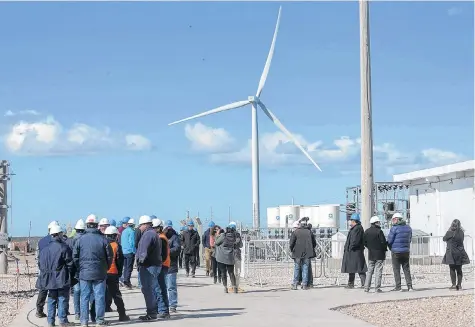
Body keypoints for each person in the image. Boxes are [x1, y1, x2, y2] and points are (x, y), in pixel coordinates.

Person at [73, 214, 113, 326]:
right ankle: (99, 320)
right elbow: (110, 256)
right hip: (100, 273)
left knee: (84, 297)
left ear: (87, 225)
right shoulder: (103, 240)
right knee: (99, 296)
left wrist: (80, 267)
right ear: (97, 225)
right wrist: (106, 267)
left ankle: (84, 321)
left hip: (84, 273)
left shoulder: (80, 240)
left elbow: (75, 256)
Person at [38, 224, 74, 327]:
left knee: (51, 299)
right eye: (61, 234)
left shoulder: (44, 249)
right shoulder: (64, 247)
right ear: (58, 234)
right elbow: (70, 264)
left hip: (49, 279)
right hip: (61, 278)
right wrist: (70, 274)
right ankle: (63, 321)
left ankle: (50, 322)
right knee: (62, 298)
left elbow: (40, 264)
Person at [136, 215, 162, 321]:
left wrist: (139, 262)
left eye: (141, 225)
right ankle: (153, 311)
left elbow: (143, 252)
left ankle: (151, 313)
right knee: (151, 289)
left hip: (148, 266)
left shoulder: (148, 235)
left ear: (145, 224)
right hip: (153, 265)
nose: (140, 228)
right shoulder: (153, 233)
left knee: (147, 289)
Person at [103, 226, 130, 321]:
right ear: (115, 236)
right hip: (113, 273)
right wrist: (119, 273)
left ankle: (96, 316)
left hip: (101, 273)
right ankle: (122, 315)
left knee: (99, 294)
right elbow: (120, 261)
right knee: (116, 295)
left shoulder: (102, 244)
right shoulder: (117, 246)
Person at [35, 220, 60, 319]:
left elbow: (37, 256)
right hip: (56, 269)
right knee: (57, 290)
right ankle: (60, 311)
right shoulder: (59, 241)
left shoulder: (41, 241)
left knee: (43, 289)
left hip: (44, 269)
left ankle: (39, 310)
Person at [387, 212, 413, 292]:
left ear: (398, 219)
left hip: (396, 251)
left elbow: (389, 240)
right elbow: (410, 239)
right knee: (406, 269)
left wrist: (390, 248)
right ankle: (410, 286)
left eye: (394, 219)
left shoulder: (394, 228)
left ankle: (398, 287)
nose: (393, 221)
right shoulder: (408, 228)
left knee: (396, 269)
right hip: (406, 251)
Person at [66, 219, 86, 321]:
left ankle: (78, 313)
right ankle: (85, 313)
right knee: (86, 292)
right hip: (85, 269)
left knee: (77, 291)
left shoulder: (70, 241)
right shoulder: (87, 240)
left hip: (74, 270)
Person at [341, 213, 367, 289]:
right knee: (353, 268)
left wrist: (350, 248)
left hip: (355, 251)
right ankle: (351, 283)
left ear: (354, 221)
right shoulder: (356, 228)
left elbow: (354, 241)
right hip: (354, 251)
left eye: (351, 220)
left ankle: (364, 284)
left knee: (360, 267)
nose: (350, 222)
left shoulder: (357, 229)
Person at [442, 219, 470, 290]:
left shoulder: (450, 232)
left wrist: (448, 231)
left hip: (451, 253)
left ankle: (454, 285)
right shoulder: (461, 233)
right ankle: (459, 285)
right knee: (459, 269)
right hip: (460, 252)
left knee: (452, 269)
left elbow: (444, 239)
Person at [363, 216, 388, 293]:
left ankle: (366, 287)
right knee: (378, 271)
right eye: (379, 222)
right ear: (376, 222)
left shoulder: (367, 231)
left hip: (371, 254)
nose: (380, 223)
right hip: (379, 254)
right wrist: (384, 249)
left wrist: (370, 247)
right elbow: (383, 242)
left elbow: (364, 242)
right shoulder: (379, 231)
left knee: (370, 271)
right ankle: (377, 288)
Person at [152, 218, 171, 319]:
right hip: (163, 265)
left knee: (159, 288)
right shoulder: (160, 237)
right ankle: (163, 310)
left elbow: (162, 255)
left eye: (155, 228)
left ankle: (163, 310)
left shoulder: (161, 238)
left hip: (161, 265)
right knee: (160, 288)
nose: (154, 230)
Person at [289, 220, 316, 290]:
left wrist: (292, 250)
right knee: (305, 267)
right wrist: (311, 249)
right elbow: (314, 243)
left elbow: (291, 243)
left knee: (297, 267)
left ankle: (295, 284)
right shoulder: (309, 232)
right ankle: (304, 284)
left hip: (297, 253)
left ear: (300, 225)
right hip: (307, 253)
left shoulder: (296, 232)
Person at [215, 226, 238, 293]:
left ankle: (225, 288)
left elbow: (216, 242)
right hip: (230, 257)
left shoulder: (223, 236)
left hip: (221, 257)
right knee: (231, 272)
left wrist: (217, 234)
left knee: (223, 272)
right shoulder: (234, 237)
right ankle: (234, 287)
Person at [164, 220, 180, 313]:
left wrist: (167, 251)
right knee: (162, 287)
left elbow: (177, 249)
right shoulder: (161, 236)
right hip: (162, 266)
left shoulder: (174, 237)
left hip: (171, 266)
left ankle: (173, 304)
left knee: (171, 286)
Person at [120, 218, 136, 289]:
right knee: (129, 268)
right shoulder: (131, 232)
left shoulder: (124, 231)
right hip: (129, 252)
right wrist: (134, 251)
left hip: (124, 251)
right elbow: (132, 242)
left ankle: (124, 281)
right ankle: (127, 282)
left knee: (125, 267)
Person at [228, 221, 244, 292]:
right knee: (237, 271)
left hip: (229, 255)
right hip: (237, 254)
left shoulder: (226, 235)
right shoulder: (238, 235)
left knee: (230, 272)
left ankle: (232, 286)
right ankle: (236, 286)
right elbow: (241, 245)